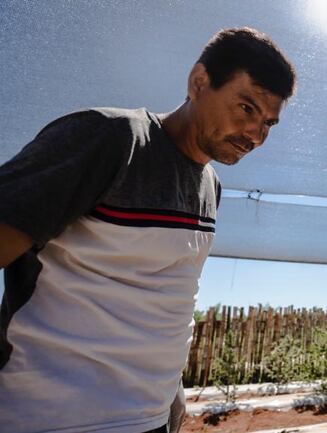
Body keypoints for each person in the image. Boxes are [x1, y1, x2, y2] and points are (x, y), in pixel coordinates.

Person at [0, 27, 295, 433]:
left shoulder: (211, 187)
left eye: (269, 124)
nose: (257, 136)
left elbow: (170, 291)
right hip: (53, 418)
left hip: (151, 418)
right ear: (198, 82)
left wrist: (170, 390)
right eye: (246, 108)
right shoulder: (111, 138)